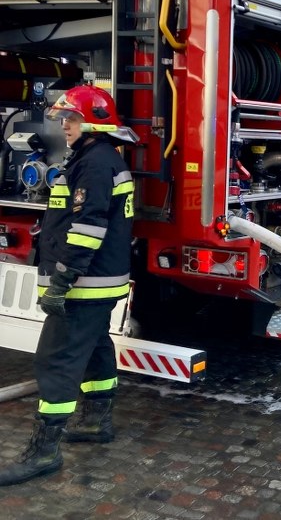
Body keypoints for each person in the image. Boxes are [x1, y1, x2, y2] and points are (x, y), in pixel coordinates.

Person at [0, 85, 138, 486]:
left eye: (71, 119)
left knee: (56, 361)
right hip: (99, 281)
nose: (64, 126)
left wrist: (63, 278)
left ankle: (43, 452)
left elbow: (87, 228)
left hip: (84, 283)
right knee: (95, 348)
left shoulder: (94, 164)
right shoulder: (101, 159)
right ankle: (96, 421)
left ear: (93, 122)